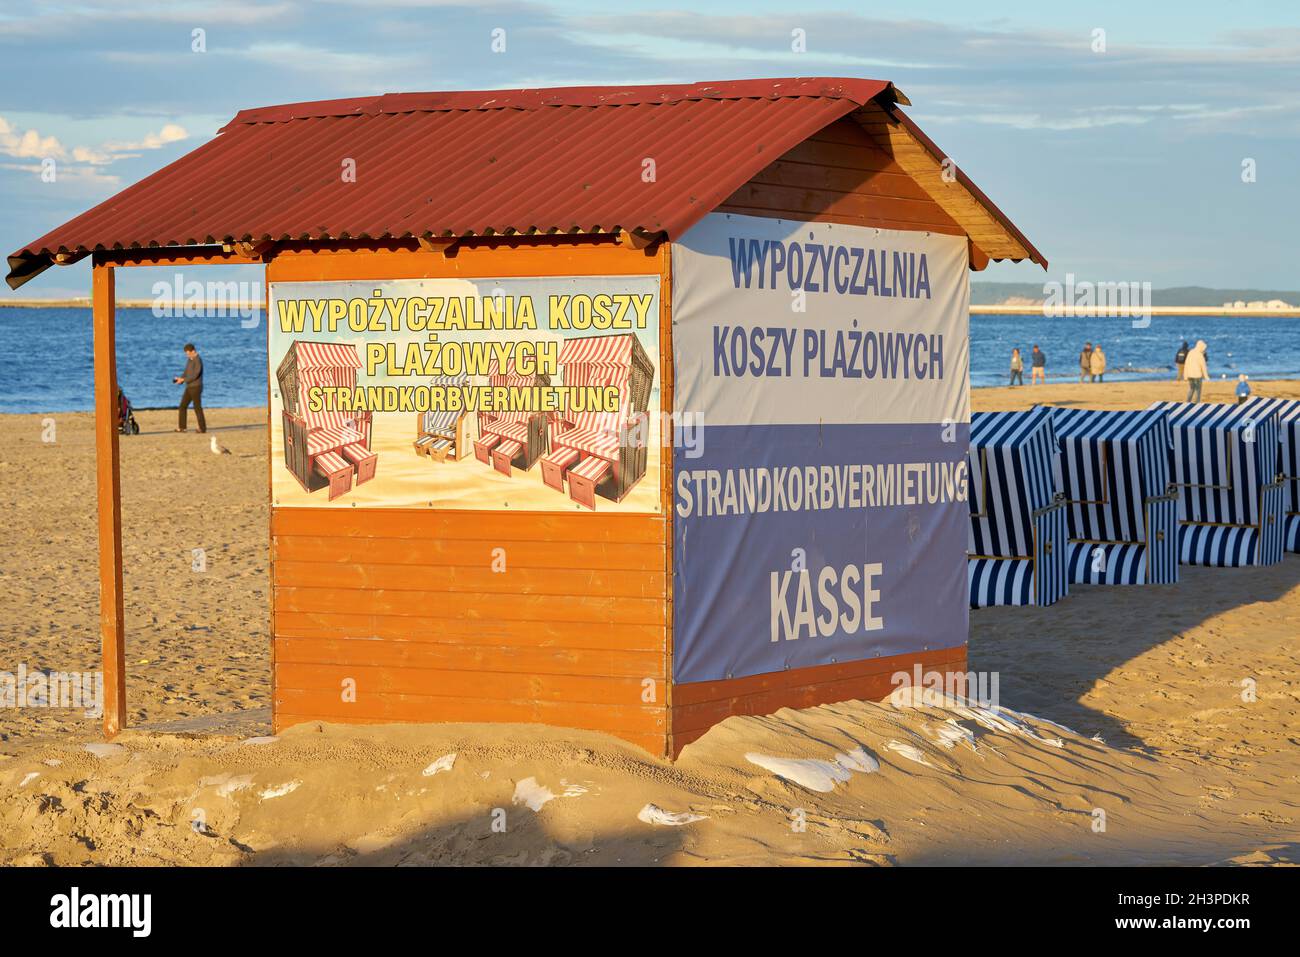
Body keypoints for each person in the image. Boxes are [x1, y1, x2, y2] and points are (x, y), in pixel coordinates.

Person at [174, 342, 206, 433]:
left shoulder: (198, 360)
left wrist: (184, 380)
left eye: (188, 353)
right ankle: (182, 427)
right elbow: (186, 372)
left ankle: (202, 428)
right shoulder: (190, 360)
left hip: (196, 387)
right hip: (189, 387)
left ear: (193, 351)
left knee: (197, 407)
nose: (187, 355)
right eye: (186, 354)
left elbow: (195, 375)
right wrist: (180, 379)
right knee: (182, 406)